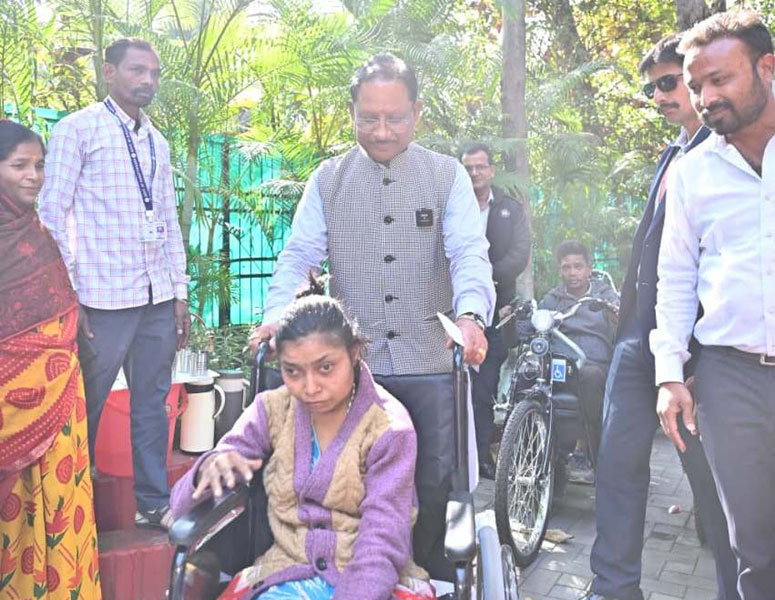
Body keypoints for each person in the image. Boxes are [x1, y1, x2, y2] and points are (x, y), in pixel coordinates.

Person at [250, 54, 495, 578]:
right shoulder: (328, 179)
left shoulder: (446, 176)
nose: (382, 131)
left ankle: (424, 580)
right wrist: (277, 316)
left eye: (395, 118)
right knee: (348, 487)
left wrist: (472, 316)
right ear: (352, 113)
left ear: (417, 113)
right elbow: (299, 256)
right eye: (369, 118)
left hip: (429, 364)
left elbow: (469, 253)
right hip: (350, 373)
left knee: (431, 486)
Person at [585, 32, 738, 600]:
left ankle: (736, 588)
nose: (661, 96)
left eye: (670, 83)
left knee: (715, 483)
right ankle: (614, 587)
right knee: (617, 464)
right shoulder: (673, 155)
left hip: (701, 349)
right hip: (638, 338)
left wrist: (702, 356)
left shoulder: (733, 156)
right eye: (653, 88)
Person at [171, 291, 433, 600]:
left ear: (354, 353)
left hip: (370, 582)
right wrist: (209, 469)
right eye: (292, 371)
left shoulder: (389, 428)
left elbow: (383, 541)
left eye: (326, 368)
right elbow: (179, 506)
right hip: (286, 574)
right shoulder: (272, 409)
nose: (309, 387)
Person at [39, 38, 190, 530]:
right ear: (109, 71)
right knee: (86, 402)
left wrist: (180, 293)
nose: (147, 80)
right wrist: (69, 295)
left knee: (152, 404)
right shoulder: (77, 130)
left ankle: (153, 503)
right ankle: (70, 511)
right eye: (136, 70)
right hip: (101, 298)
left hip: (155, 295)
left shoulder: (158, 141)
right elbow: (52, 213)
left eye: (154, 73)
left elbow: (168, 220)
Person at [652, 10, 775, 600]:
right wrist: (670, 374)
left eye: (719, 80)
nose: (705, 98)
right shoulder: (692, 173)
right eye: (696, 85)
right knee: (754, 549)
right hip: (731, 381)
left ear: (766, 67)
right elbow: (675, 275)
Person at [0, 121, 102, 598]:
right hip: (10, 407)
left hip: (61, 402)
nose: (33, 176)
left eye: (39, 165)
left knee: (60, 505)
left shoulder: (38, 233)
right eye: (19, 165)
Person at [460, 143, 531, 479]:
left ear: (491, 170)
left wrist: (481, 277)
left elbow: (519, 254)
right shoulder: (452, 205)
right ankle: (454, 456)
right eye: (468, 168)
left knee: (484, 387)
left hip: (497, 312)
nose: (475, 173)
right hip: (455, 310)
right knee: (450, 386)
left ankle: (481, 456)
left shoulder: (509, 209)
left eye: (480, 167)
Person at [538, 240, 619, 484]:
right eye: (566, 267)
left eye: (578, 266)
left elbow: (622, 318)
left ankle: (588, 454)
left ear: (588, 268)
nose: (572, 273)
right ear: (560, 270)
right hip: (561, 363)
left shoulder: (603, 294)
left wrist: (615, 314)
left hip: (594, 363)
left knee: (590, 378)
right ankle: (537, 453)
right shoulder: (553, 298)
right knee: (529, 376)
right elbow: (535, 322)